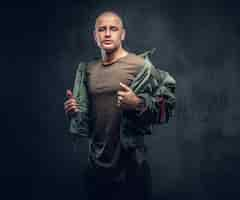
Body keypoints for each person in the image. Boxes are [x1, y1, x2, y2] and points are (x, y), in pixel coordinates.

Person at [64, 11, 176, 200]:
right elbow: (89, 118)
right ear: (95, 36)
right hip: (96, 170)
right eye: (102, 29)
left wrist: (138, 103)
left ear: (122, 34)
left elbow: (168, 105)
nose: (107, 34)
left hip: (132, 171)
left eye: (113, 29)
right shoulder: (87, 70)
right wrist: (74, 111)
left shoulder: (141, 66)